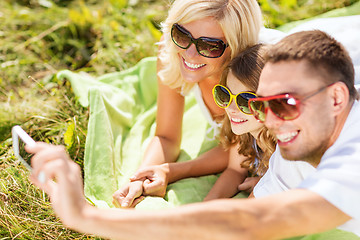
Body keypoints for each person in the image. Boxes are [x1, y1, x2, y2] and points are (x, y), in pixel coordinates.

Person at [27, 30, 360, 239]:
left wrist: (87, 217)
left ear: (336, 99)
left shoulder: (352, 154)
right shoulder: (285, 158)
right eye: (261, 105)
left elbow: (251, 222)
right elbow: (234, 221)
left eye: (285, 104)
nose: (268, 119)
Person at [111, 0, 264, 207]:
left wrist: (172, 171)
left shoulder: (254, 77)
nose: (190, 54)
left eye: (209, 46)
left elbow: (239, 151)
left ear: (236, 46)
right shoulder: (172, 53)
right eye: (182, 34)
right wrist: (141, 178)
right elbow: (166, 136)